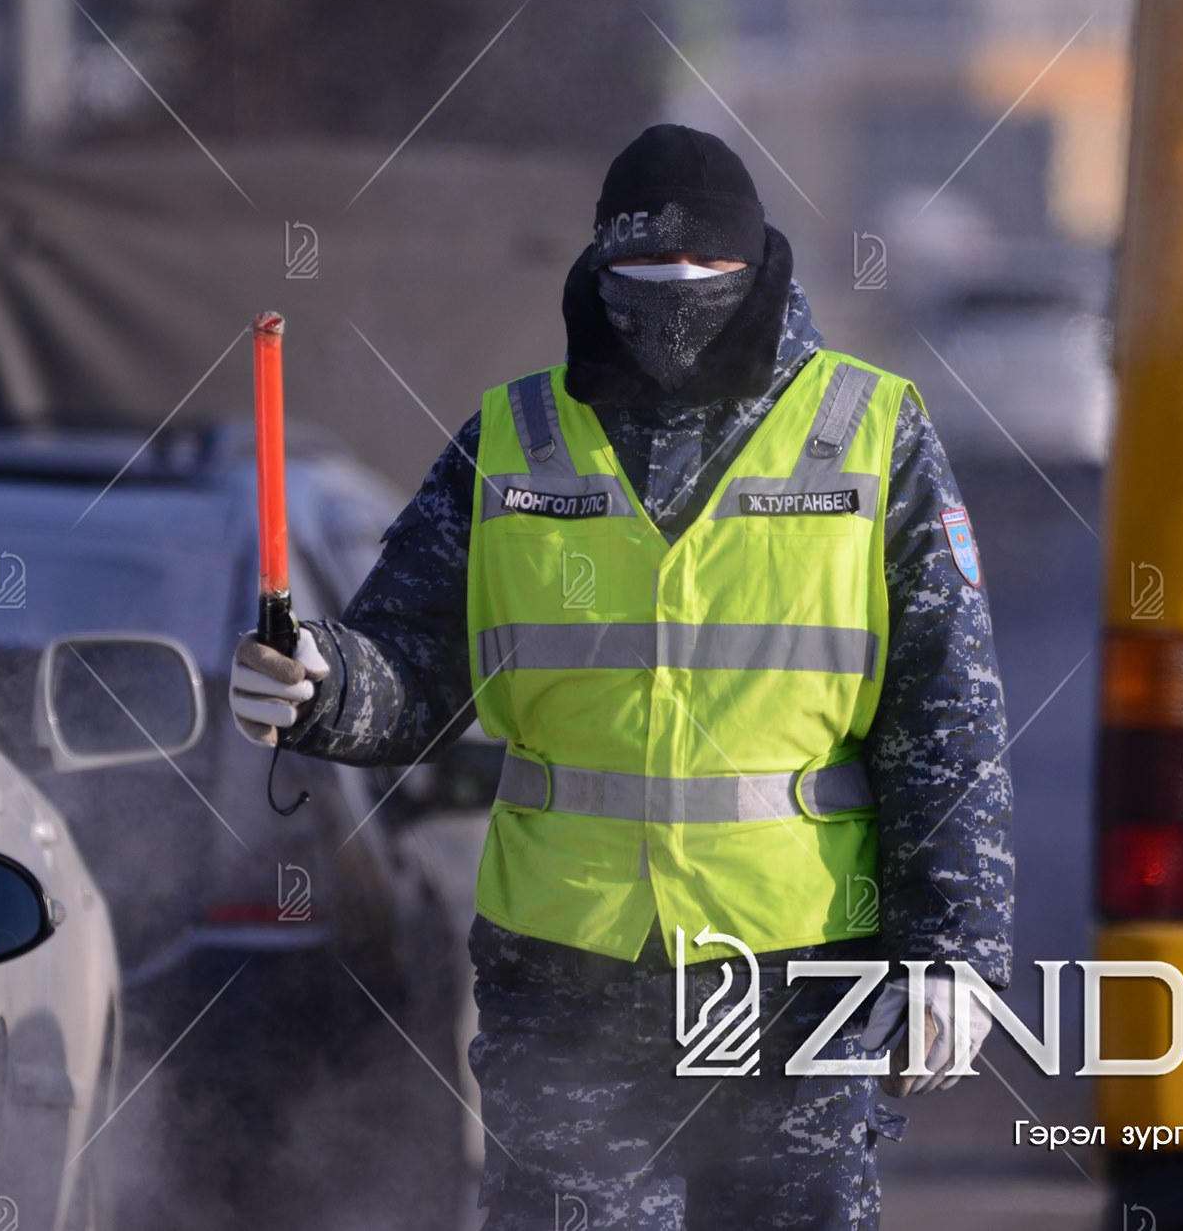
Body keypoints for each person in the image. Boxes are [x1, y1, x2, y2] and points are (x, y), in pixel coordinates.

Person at [229, 124, 1011, 1229]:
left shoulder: (872, 434)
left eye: (703, 264)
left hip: (799, 974)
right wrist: (323, 686)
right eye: (643, 264)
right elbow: (412, 663)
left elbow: (947, 715)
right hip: (568, 979)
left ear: (757, 265)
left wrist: (951, 951)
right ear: (598, 265)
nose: (673, 289)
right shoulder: (513, 441)